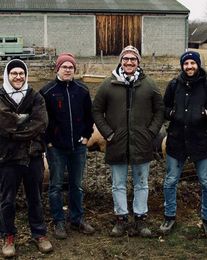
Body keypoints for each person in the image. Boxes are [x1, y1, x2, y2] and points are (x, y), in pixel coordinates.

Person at [93, 45, 164, 237]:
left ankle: (140, 219)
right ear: (121, 62)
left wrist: (151, 133)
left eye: (133, 59)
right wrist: (108, 133)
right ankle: (121, 218)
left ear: (138, 62)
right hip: (117, 143)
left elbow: (160, 110)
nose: (129, 62)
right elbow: (96, 111)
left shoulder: (149, 84)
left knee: (142, 183)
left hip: (142, 143)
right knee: (118, 183)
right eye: (126, 59)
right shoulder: (109, 84)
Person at [160, 51, 207, 239]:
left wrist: (206, 113)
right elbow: (164, 108)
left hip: (201, 141)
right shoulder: (173, 85)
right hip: (177, 140)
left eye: (192, 63)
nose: (189, 67)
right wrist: (173, 114)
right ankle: (169, 216)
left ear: (198, 65)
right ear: (182, 66)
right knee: (170, 181)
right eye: (186, 63)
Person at [0, 59, 53, 258]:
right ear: (7, 75)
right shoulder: (1, 95)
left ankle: (39, 234)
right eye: (14, 73)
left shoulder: (35, 96)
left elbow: (40, 122)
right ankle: (8, 236)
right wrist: (22, 123)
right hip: (7, 158)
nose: (18, 77)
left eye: (21, 73)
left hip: (33, 156)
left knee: (36, 198)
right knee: (7, 200)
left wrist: (15, 129)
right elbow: (2, 124)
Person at [40, 53, 95, 239]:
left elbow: (90, 116)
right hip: (56, 148)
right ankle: (59, 221)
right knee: (55, 185)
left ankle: (76, 218)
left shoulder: (82, 90)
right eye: (64, 66)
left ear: (74, 69)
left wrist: (87, 137)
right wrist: (48, 141)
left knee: (76, 185)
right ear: (57, 68)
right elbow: (42, 120)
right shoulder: (47, 92)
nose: (68, 70)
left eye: (71, 67)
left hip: (78, 147)